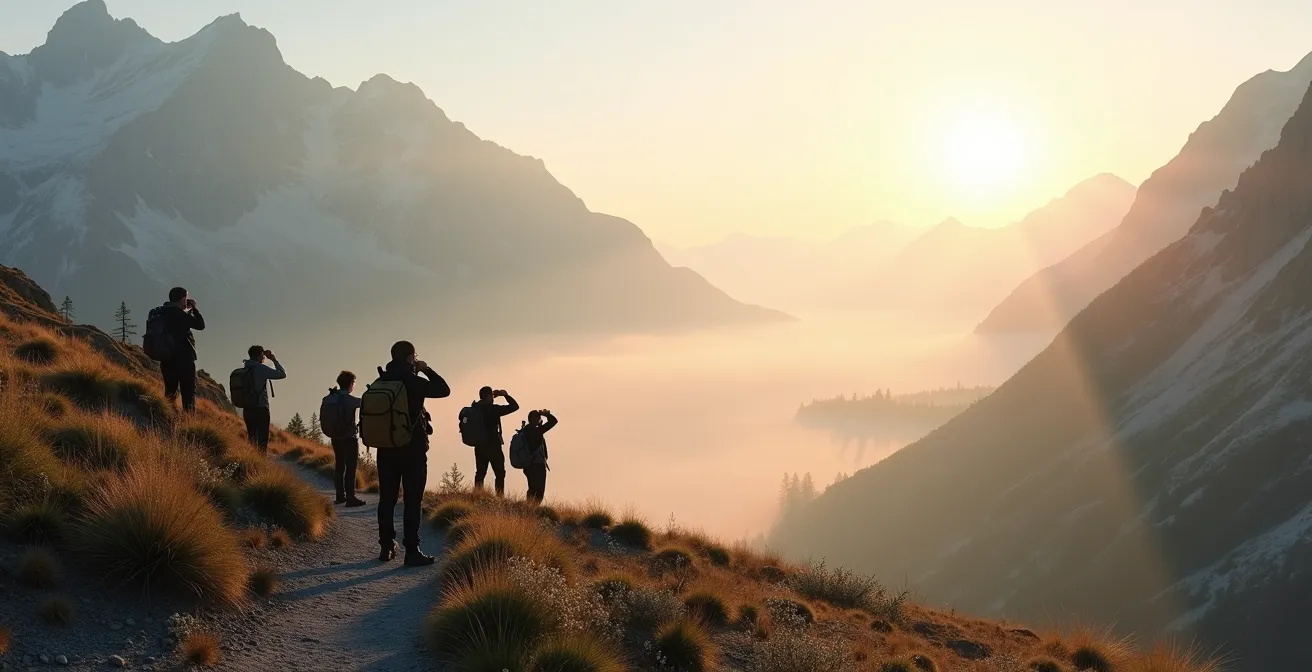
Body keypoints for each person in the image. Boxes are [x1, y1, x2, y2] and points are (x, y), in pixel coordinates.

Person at [376, 340, 450, 566]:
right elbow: (444, 389)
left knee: (386, 499)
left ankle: (386, 547)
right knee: (412, 499)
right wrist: (425, 369)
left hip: (385, 447)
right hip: (412, 449)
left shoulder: (381, 380)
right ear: (410, 358)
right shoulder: (413, 381)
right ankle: (412, 550)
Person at [159, 287, 205, 412]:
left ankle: (166, 416)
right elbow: (201, 325)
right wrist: (194, 309)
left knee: (170, 391)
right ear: (183, 298)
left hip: (166, 358)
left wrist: (185, 310)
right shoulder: (180, 315)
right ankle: (189, 422)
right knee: (188, 393)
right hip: (184, 359)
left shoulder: (161, 312)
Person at [471, 386, 520, 496]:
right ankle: (499, 498)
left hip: (479, 446)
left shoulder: (474, 408)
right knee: (499, 473)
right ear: (488, 396)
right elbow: (514, 407)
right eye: (492, 396)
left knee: (480, 473)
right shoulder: (493, 409)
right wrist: (505, 395)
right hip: (493, 445)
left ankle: (477, 496)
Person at [325, 371, 365, 507]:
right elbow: (364, 403)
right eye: (353, 383)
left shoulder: (329, 398)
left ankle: (340, 496)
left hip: (335, 437)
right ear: (350, 383)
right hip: (349, 437)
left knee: (339, 466)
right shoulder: (350, 400)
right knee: (351, 467)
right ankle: (351, 497)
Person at [241, 345, 286, 454]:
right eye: (262, 355)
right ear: (259, 355)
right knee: (262, 441)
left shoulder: (245, 368)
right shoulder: (260, 368)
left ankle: (250, 463)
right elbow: (282, 374)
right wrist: (274, 359)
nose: (264, 358)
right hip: (260, 408)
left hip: (247, 408)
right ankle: (260, 466)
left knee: (251, 438)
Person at [519, 409, 558, 504]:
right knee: (539, 492)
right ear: (535, 419)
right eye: (538, 418)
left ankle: (529, 509)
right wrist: (545, 415)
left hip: (528, 465)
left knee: (532, 489)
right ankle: (532, 510)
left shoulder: (526, 430)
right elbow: (553, 421)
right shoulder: (536, 431)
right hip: (537, 464)